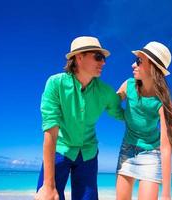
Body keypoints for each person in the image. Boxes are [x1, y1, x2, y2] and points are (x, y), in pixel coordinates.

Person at [35, 36, 124, 200]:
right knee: (47, 196)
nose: (103, 62)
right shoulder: (55, 84)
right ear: (79, 56)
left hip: (88, 154)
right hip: (60, 149)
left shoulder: (105, 92)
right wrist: (48, 185)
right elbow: (50, 132)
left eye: (103, 58)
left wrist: (137, 95)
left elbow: (121, 113)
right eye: (98, 57)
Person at [116, 41, 172, 200]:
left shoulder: (162, 102)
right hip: (127, 150)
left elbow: (165, 147)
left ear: (153, 68)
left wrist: (166, 194)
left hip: (151, 153)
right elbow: (109, 104)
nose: (132, 65)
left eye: (138, 61)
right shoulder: (128, 85)